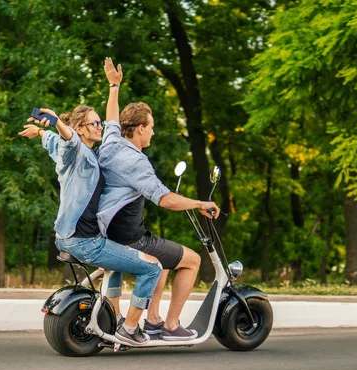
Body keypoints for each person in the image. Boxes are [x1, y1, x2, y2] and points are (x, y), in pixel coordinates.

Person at [18, 65, 162, 346]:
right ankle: (131, 329)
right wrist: (55, 123)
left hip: (69, 237)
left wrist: (39, 133)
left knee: (117, 262)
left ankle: (115, 319)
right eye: (94, 124)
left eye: (99, 123)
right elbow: (68, 139)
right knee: (153, 267)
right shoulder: (79, 152)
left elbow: (61, 138)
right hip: (85, 242)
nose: (101, 126)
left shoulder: (72, 152)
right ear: (80, 129)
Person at [97, 61, 220, 341]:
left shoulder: (111, 142)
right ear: (139, 128)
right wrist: (200, 203)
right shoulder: (136, 162)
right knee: (192, 260)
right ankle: (172, 325)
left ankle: (152, 320)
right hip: (130, 239)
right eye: (151, 127)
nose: (153, 132)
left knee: (162, 261)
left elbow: (111, 117)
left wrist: (113, 86)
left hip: (108, 232)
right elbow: (165, 200)